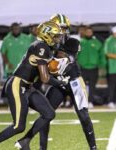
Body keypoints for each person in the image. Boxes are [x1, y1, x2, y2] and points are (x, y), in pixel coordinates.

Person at [0, 21, 67, 150]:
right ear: (47, 35)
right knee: (18, 126)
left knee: (49, 113)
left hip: (27, 87)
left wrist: (59, 76)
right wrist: (61, 82)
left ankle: (25, 141)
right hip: (17, 84)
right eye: (55, 35)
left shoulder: (46, 47)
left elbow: (43, 75)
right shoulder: (41, 47)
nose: (57, 38)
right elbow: (45, 78)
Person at [36, 14, 97, 150]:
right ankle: (42, 148)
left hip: (74, 81)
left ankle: (93, 148)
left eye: (64, 28)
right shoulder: (45, 45)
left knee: (84, 116)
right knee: (45, 115)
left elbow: (62, 63)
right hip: (58, 83)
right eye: (60, 27)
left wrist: (52, 59)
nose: (62, 31)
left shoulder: (73, 42)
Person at [77, 26, 105, 108]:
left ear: (92, 33)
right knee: (82, 86)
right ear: (84, 33)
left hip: (94, 68)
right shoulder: (80, 42)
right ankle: (82, 102)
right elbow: (76, 55)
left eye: (90, 32)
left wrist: (101, 66)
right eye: (87, 32)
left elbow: (102, 55)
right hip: (82, 68)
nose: (89, 33)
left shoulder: (97, 43)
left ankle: (90, 102)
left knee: (92, 86)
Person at [104, 26, 116, 108]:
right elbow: (107, 53)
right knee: (112, 86)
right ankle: (111, 101)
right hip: (112, 68)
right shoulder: (109, 41)